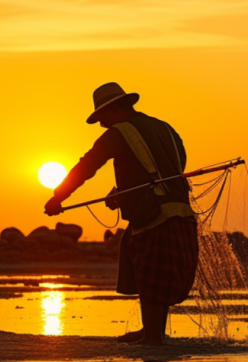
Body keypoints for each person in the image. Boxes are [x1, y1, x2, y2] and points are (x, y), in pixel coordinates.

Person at [45, 82, 199, 345]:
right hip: (180, 211)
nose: (102, 125)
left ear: (115, 108)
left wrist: (58, 197)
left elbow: (87, 166)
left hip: (154, 216)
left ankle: (153, 337)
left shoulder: (118, 134)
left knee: (151, 275)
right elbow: (171, 167)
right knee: (149, 270)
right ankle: (152, 331)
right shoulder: (166, 128)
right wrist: (125, 192)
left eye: (102, 117)